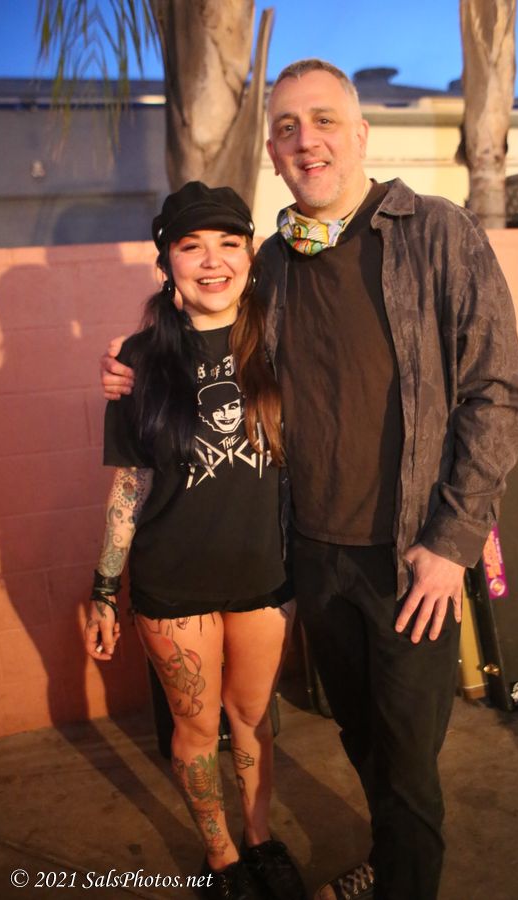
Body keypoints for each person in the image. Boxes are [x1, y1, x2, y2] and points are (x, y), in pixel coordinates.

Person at [101, 61, 518, 900]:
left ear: (360, 133)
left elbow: (498, 392)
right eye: (288, 127)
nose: (308, 140)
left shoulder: (436, 233)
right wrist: (132, 359)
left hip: (412, 557)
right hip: (312, 555)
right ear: (272, 151)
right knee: (359, 736)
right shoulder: (275, 263)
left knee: (409, 761)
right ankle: (392, 859)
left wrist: (452, 543)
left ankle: (404, 879)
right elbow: (206, 325)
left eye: (325, 120)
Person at [86, 181, 307, 900]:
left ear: (250, 255)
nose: (212, 261)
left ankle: (260, 840)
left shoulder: (283, 341)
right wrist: (103, 590)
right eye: (191, 247)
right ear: (167, 263)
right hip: (172, 583)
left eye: (228, 243)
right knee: (197, 729)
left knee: (253, 721)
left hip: (264, 575)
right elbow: (130, 486)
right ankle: (223, 860)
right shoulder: (138, 361)